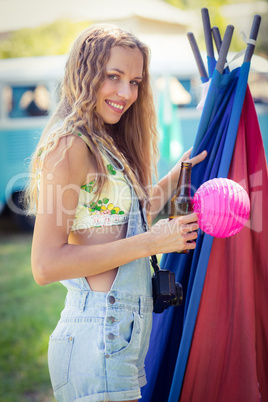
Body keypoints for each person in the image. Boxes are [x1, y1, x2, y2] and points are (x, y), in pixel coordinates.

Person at [26, 24, 207, 402]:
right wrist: (151, 243)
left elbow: (120, 220)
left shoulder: (102, 142)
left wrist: (178, 174)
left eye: (136, 81)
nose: (126, 93)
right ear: (84, 74)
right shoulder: (69, 147)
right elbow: (45, 265)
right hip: (98, 340)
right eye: (114, 77)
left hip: (116, 341)